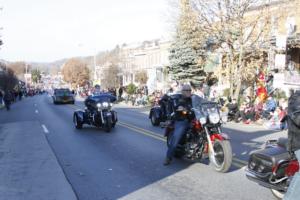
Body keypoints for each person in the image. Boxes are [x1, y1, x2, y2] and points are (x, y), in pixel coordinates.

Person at [164, 84, 194, 165]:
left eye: (189, 90)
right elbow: (178, 106)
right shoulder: (180, 99)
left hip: (193, 119)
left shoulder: (193, 99)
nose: (188, 92)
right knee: (176, 137)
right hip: (182, 120)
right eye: (186, 90)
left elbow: (200, 104)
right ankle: (168, 157)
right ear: (182, 91)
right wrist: (182, 108)